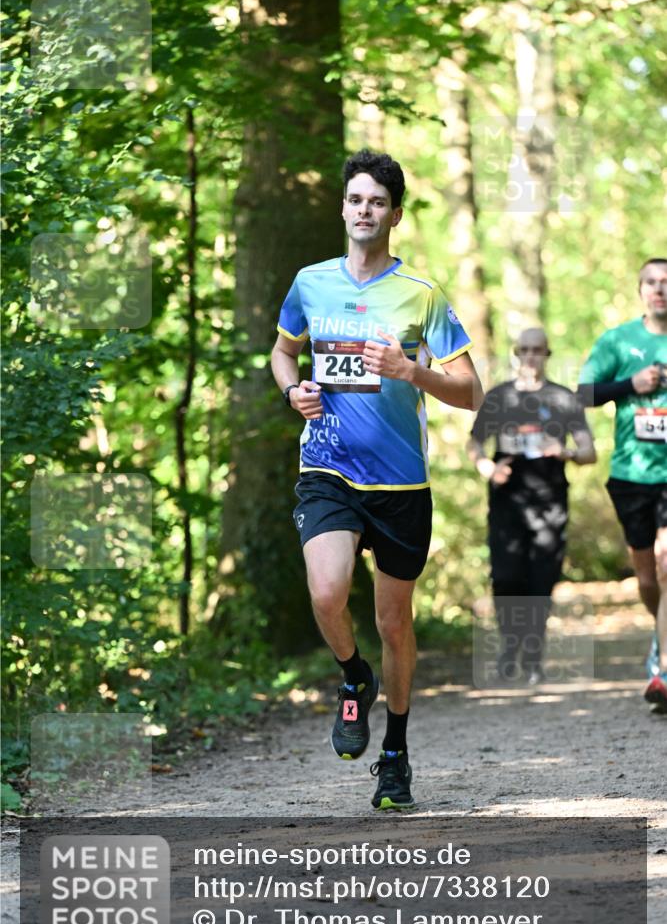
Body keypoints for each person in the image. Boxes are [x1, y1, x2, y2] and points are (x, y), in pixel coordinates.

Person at [271, 148, 482, 809]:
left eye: (377, 202)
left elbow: (472, 392)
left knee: (395, 622)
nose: (364, 211)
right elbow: (282, 353)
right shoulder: (310, 283)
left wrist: (410, 371)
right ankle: (351, 675)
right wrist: (292, 393)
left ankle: (395, 753)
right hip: (328, 466)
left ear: (393, 214)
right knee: (327, 590)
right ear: (343, 207)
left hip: (399, 482)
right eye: (355, 199)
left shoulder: (421, 295)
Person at [468, 327, 596, 686]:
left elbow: (590, 451)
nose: (530, 356)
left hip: (550, 504)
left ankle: (534, 657)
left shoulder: (563, 399)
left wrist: (567, 452)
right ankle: (510, 648)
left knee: (541, 582)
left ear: (547, 354)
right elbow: (475, 445)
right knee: (507, 578)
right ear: (515, 353)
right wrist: (488, 468)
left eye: (537, 350)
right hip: (508, 503)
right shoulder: (498, 398)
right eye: (524, 349)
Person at [579, 258, 667, 713]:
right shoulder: (618, 340)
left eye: (666, 283)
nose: (660, 290)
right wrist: (631, 384)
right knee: (648, 577)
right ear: (640, 291)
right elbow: (583, 393)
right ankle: (660, 637)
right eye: (652, 283)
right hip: (632, 473)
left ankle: (665, 668)